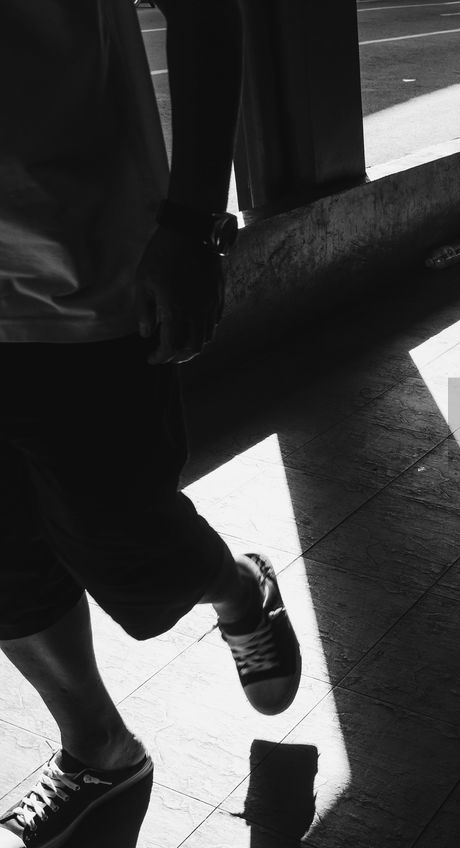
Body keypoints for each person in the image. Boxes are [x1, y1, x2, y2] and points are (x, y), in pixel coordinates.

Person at [0, 2, 301, 846]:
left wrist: (194, 223)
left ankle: (241, 588)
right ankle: (98, 751)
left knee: (123, 534)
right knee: (2, 563)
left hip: (76, 270)